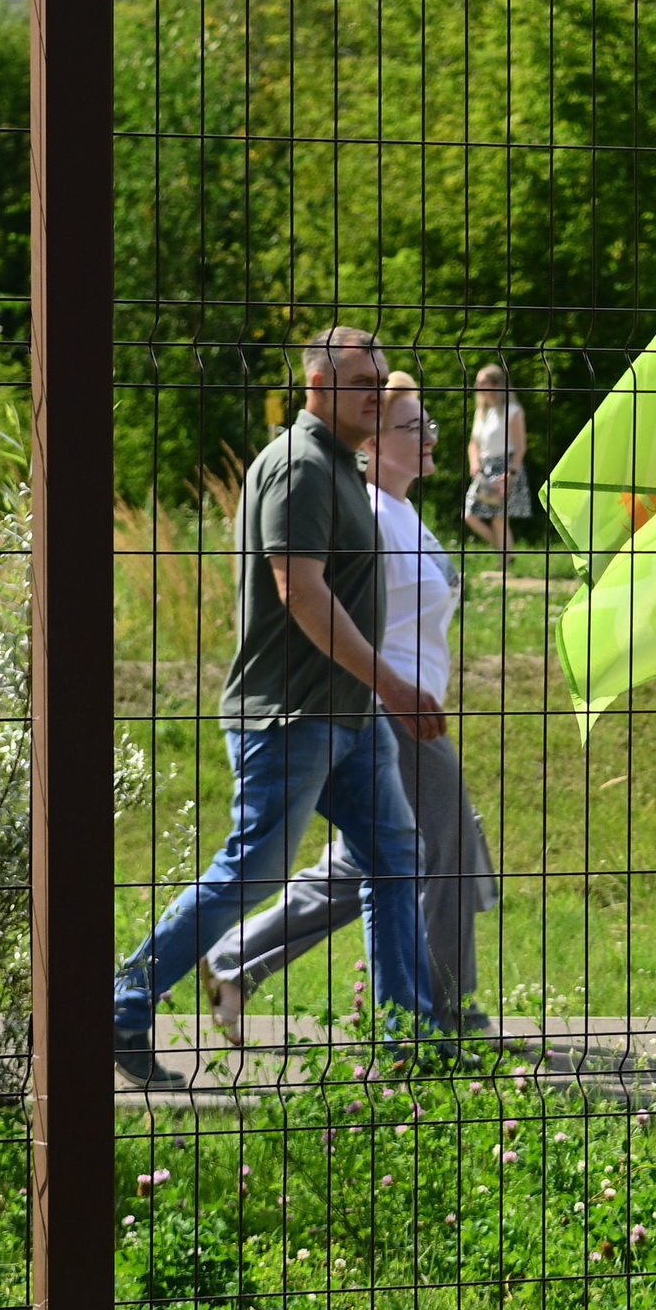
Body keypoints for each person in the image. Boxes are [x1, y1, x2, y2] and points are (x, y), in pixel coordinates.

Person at [111, 327, 446, 1089]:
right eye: (363, 382)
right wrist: (392, 683)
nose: (378, 393)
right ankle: (124, 1001)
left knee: (396, 857)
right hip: (291, 717)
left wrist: (375, 692)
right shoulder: (300, 466)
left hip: (348, 714)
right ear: (318, 386)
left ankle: (409, 1042)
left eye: (382, 380)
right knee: (253, 874)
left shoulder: (340, 465)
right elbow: (301, 590)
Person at [200, 372, 499, 1042]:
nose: (430, 436)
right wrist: (384, 687)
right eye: (412, 425)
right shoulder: (365, 514)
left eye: (429, 423)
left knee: (375, 857)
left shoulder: (402, 512)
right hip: (388, 708)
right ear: (372, 442)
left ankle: (234, 959)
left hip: (409, 705)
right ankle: (447, 1012)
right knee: (446, 843)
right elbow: (320, 604)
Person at [461, 362, 530, 555]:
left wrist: (511, 474)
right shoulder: (482, 412)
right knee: (470, 515)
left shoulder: (513, 411)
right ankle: (506, 553)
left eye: (482, 382)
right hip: (485, 468)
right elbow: (473, 443)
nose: (478, 386)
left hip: (507, 466)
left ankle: (506, 560)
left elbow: (521, 446)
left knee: (499, 518)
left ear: (496, 384)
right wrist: (474, 463)